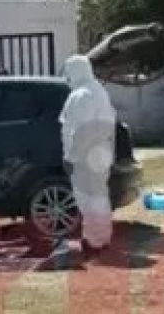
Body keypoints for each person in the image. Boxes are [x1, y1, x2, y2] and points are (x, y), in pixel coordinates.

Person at [59, 54, 117, 258]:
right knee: (99, 196)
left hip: (86, 155)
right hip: (102, 153)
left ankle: (92, 241)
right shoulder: (99, 91)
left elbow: (79, 131)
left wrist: (71, 156)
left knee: (87, 198)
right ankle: (101, 238)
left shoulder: (81, 95)